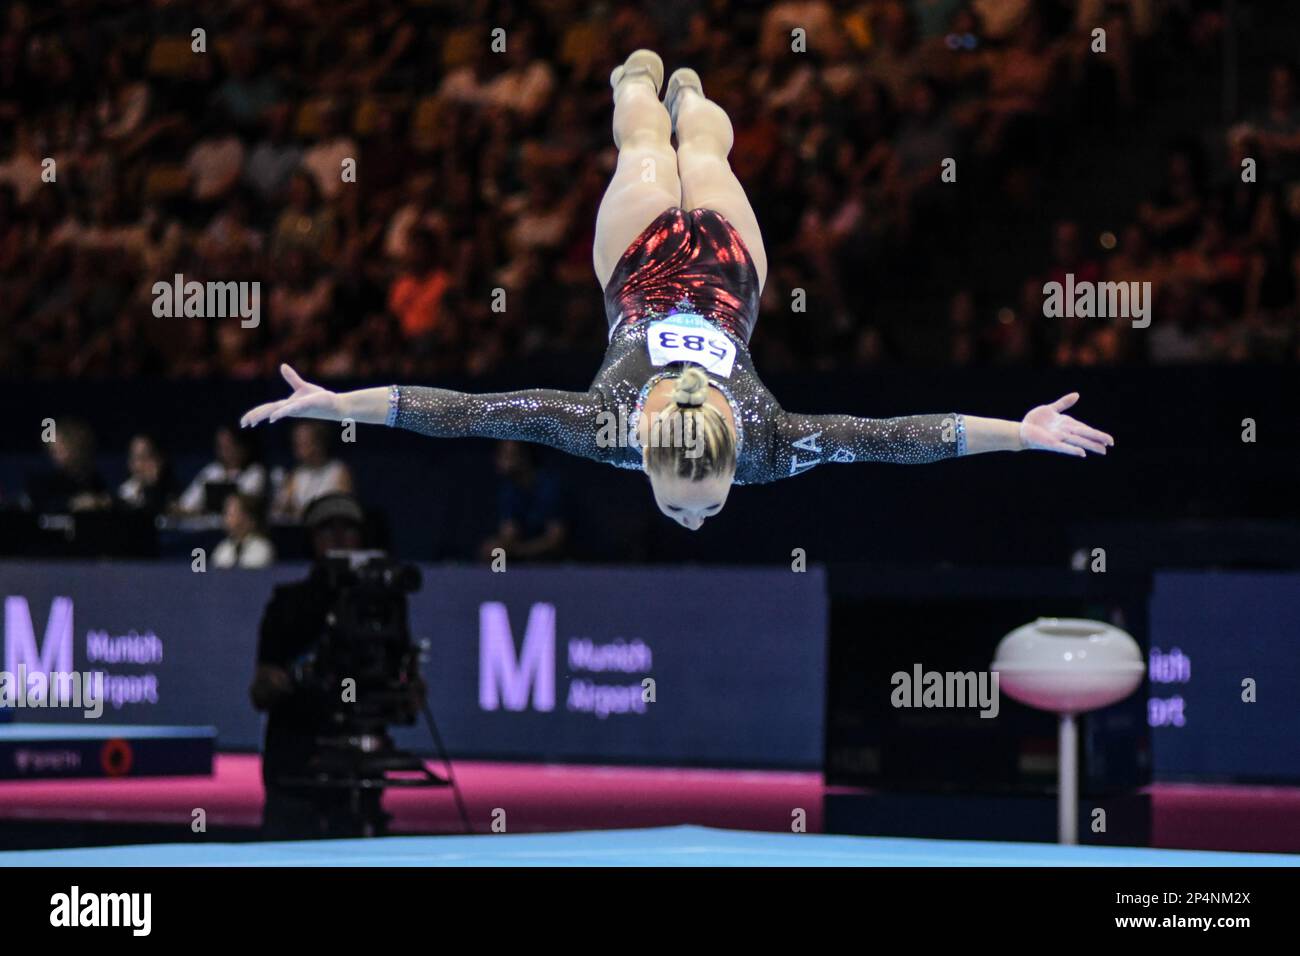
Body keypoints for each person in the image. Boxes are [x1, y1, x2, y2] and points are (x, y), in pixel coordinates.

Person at [243, 51, 1113, 533]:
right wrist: (1019, 434)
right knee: (701, 151)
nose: (695, 521)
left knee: (649, 147)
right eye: (702, 504)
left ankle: (642, 81)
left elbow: (469, 412)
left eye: (681, 506)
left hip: (657, 262)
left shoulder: (642, 432)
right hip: (716, 264)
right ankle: (671, 85)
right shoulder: (748, 440)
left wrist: (338, 400)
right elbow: (896, 439)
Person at [249, 492, 376, 839]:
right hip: (295, 760)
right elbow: (259, 692)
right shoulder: (287, 604)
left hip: (358, 763)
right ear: (311, 539)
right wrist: (278, 681)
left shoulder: (381, 603)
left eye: (347, 528)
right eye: (326, 529)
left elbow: (399, 681)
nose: (337, 537)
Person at [478, 440, 567, 562]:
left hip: (554, 562)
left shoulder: (548, 486)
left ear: (525, 457)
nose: (503, 461)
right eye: (501, 455)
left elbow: (555, 540)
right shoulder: (508, 490)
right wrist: (498, 546)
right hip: (522, 561)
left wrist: (517, 550)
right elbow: (509, 534)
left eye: (510, 455)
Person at [270, 421, 353, 522]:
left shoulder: (338, 470)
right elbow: (280, 510)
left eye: (303, 443)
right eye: (296, 443)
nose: (297, 449)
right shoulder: (296, 474)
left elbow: (344, 509)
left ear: (319, 443)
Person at [177, 424, 268, 514]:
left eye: (229, 446)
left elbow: (248, 506)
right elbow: (186, 505)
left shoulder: (256, 472)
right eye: (221, 447)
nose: (224, 452)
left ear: (243, 446)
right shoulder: (211, 471)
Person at [116, 433, 176, 515]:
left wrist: (152, 488)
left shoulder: (174, 491)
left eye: (148, 456)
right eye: (138, 457)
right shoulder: (125, 493)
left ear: (160, 459)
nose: (143, 463)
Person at [213, 492, 275, 569]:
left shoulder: (262, 548)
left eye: (232, 513)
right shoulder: (223, 548)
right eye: (226, 513)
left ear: (249, 518)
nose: (226, 518)